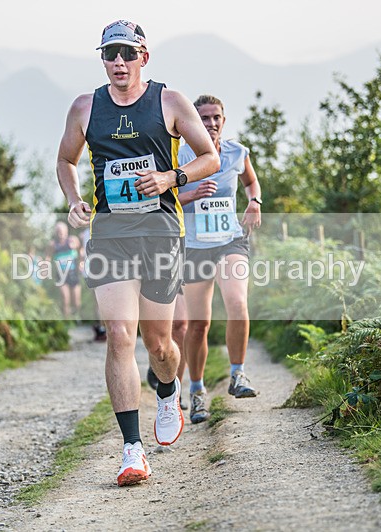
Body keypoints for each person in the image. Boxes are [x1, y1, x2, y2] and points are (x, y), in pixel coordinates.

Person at [56, 20, 219, 487]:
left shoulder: (169, 101)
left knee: (159, 344)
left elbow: (208, 155)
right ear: (102, 59)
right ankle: (132, 450)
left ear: (144, 56)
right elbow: (66, 160)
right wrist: (73, 199)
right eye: (110, 54)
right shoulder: (85, 107)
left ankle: (167, 391)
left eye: (128, 53)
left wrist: (171, 178)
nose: (119, 62)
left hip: (161, 231)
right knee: (119, 336)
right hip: (110, 233)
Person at [172, 95, 262, 425]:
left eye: (215, 117)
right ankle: (196, 391)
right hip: (195, 246)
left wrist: (255, 202)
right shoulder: (180, 155)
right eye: (204, 117)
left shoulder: (238, 152)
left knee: (237, 303)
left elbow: (250, 181)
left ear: (224, 119)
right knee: (198, 325)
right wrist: (190, 194)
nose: (210, 123)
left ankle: (238, 375)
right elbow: (163, 195)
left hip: (230, 241)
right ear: (193, 121)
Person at [46, 221, 82, 318]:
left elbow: (81, 251)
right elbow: (48, 257)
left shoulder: (72, 240)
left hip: (73, 274)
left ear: (66, 231)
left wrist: (81, 263)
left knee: (76, 301)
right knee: (65, 299)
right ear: (55, 233)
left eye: (62, 231)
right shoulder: (53, 244)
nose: (60, 234)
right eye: (58, 232)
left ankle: (77, 318)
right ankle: (67, 321)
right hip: (61, 276)